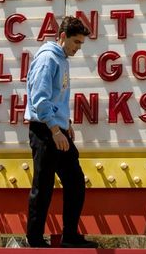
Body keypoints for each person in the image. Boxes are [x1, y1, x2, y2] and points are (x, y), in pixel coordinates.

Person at [25, 16, 98, 249]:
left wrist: (65, 123)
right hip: (45, 131)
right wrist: (55, 129)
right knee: (43, 186)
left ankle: (69, 236)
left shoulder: (63, 59)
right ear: (63, 36)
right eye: (76, 42)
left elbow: (58, 97)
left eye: (81, 44)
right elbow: (39, 99)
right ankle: (34, 239)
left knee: (75, 181)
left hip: (58, 129)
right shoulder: (48, 59)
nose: (78, 48)